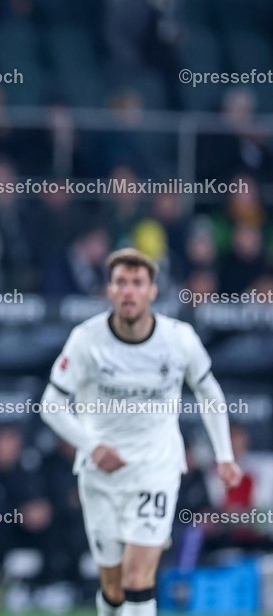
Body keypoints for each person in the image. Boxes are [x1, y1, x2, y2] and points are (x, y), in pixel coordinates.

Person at [40, 248, 242, 616]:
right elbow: (51, 404)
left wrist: (224, 456)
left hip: (155, 469)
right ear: (109, 291)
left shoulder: (178, 338)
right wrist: (92, 446)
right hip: (100, 476)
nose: (129, 291)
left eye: (137, 283)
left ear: (152, 291)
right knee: (113, 586)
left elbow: (209, 392)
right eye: (121, 282)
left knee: (137, 578)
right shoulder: (86, 340)